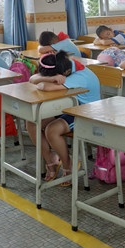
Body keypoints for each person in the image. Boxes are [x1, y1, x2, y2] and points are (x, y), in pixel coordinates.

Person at [27, 51, 100, 184]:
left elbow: (44, 86)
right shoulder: (64, 64)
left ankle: (68, 165)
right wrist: (51, 78)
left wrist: (48, 80)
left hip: (86, 113)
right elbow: (32, 79)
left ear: (65, 73)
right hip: (69, 107)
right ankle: (50, 160)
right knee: (32, 122)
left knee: (52, 130)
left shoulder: (79, 76)